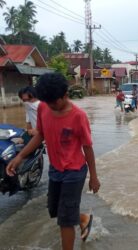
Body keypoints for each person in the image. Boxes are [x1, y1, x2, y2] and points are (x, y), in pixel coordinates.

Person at [6, 73, 100, 250]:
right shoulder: (43, 108)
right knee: (54, 210)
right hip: (56, 169)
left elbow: (87, 147)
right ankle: (82, 219)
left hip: (74, 171)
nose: (50, 106)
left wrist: (93, 177)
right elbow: (40, 134)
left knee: (64, 220)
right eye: (47, 102)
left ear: (65, 95)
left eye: (54, 102)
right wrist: (20, 156)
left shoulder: (78, 117)